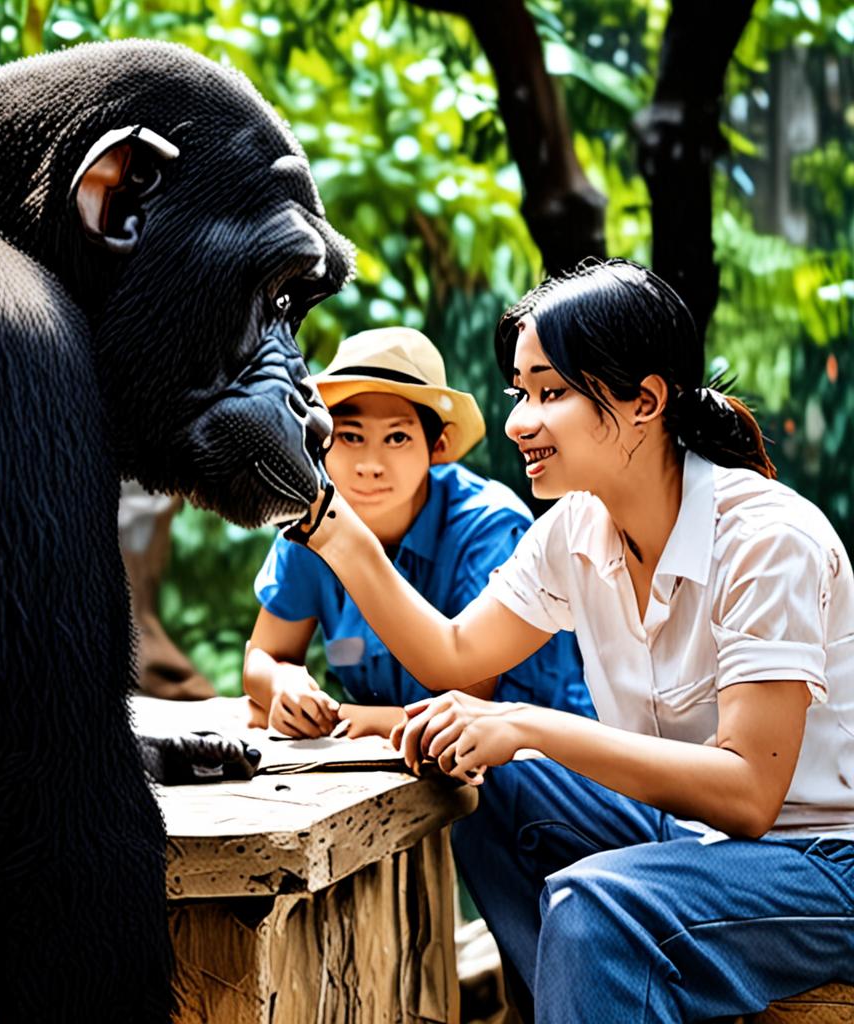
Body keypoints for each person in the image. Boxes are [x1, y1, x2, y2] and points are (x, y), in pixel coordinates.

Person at [285, 260, 854, 1023]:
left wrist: (527, 725)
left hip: (823, 864)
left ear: (644, 400)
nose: (519, 422)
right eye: (520, 393)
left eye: (550, 393)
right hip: (693, 843)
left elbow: (749, 795)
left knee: (595, 906)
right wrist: (332, 525)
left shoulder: (766, 539)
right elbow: (452, 654)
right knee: (482, 784)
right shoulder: (575, 532)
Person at [243, 326, 592, 740]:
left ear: (437, 446)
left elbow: (470, 702)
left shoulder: (488, 528)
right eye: (350, 436)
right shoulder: (315, 525)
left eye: (397, 438)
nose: (370, 465)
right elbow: (263, 656)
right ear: (322, 442)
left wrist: (350, 718)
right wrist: (283, 684)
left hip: (532, 761)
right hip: (391, 760)